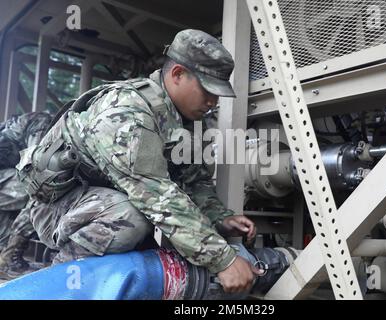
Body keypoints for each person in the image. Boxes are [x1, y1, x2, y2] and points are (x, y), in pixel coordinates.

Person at [17, 29, 263, 293]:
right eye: (207, 90)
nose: (213, 102)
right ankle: (63, 286)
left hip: (103, 202)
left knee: (142, 231)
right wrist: (222, 260)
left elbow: (193, 182)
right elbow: (155, 196)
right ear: (178, 74)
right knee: (130, 218)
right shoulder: (127, 111)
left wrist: (220, 218)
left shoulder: (184, 122)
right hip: (58, 206)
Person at [0, 111, 52, 279]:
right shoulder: (43, 123)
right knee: (40, 188)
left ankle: (5, 257)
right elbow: (35, 169)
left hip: (4, 178)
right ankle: (9, 257)